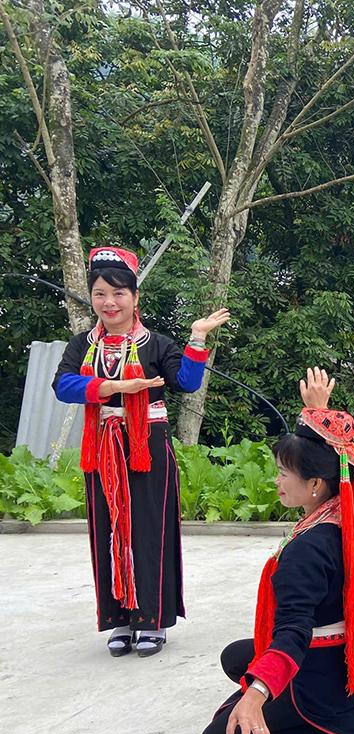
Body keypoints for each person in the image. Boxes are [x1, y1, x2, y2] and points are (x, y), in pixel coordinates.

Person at [201, 368, 354, 734]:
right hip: (344, 663)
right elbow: (336, 451)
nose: (276, 480)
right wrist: (316, 413)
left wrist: (256, 695)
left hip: (318, 678)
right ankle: (310, 708)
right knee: (236, 656)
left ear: (314, 484)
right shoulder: (341, 511)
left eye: (282, 473)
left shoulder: (306, 551)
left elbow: (292, 633)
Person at [52, 246, 229, 657]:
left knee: (148, 532)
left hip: (146, 446)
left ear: (135, 297)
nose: (109, 303)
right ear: (92, 298)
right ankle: (119, 620)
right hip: (102, 449)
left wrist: (197, 337)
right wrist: (114, 388)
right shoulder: (82, 345)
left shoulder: (156, 345)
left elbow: (186, 381)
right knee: (108, 529)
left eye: (118, 294)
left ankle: (152, 620)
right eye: (99, 294)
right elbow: (63, 386)